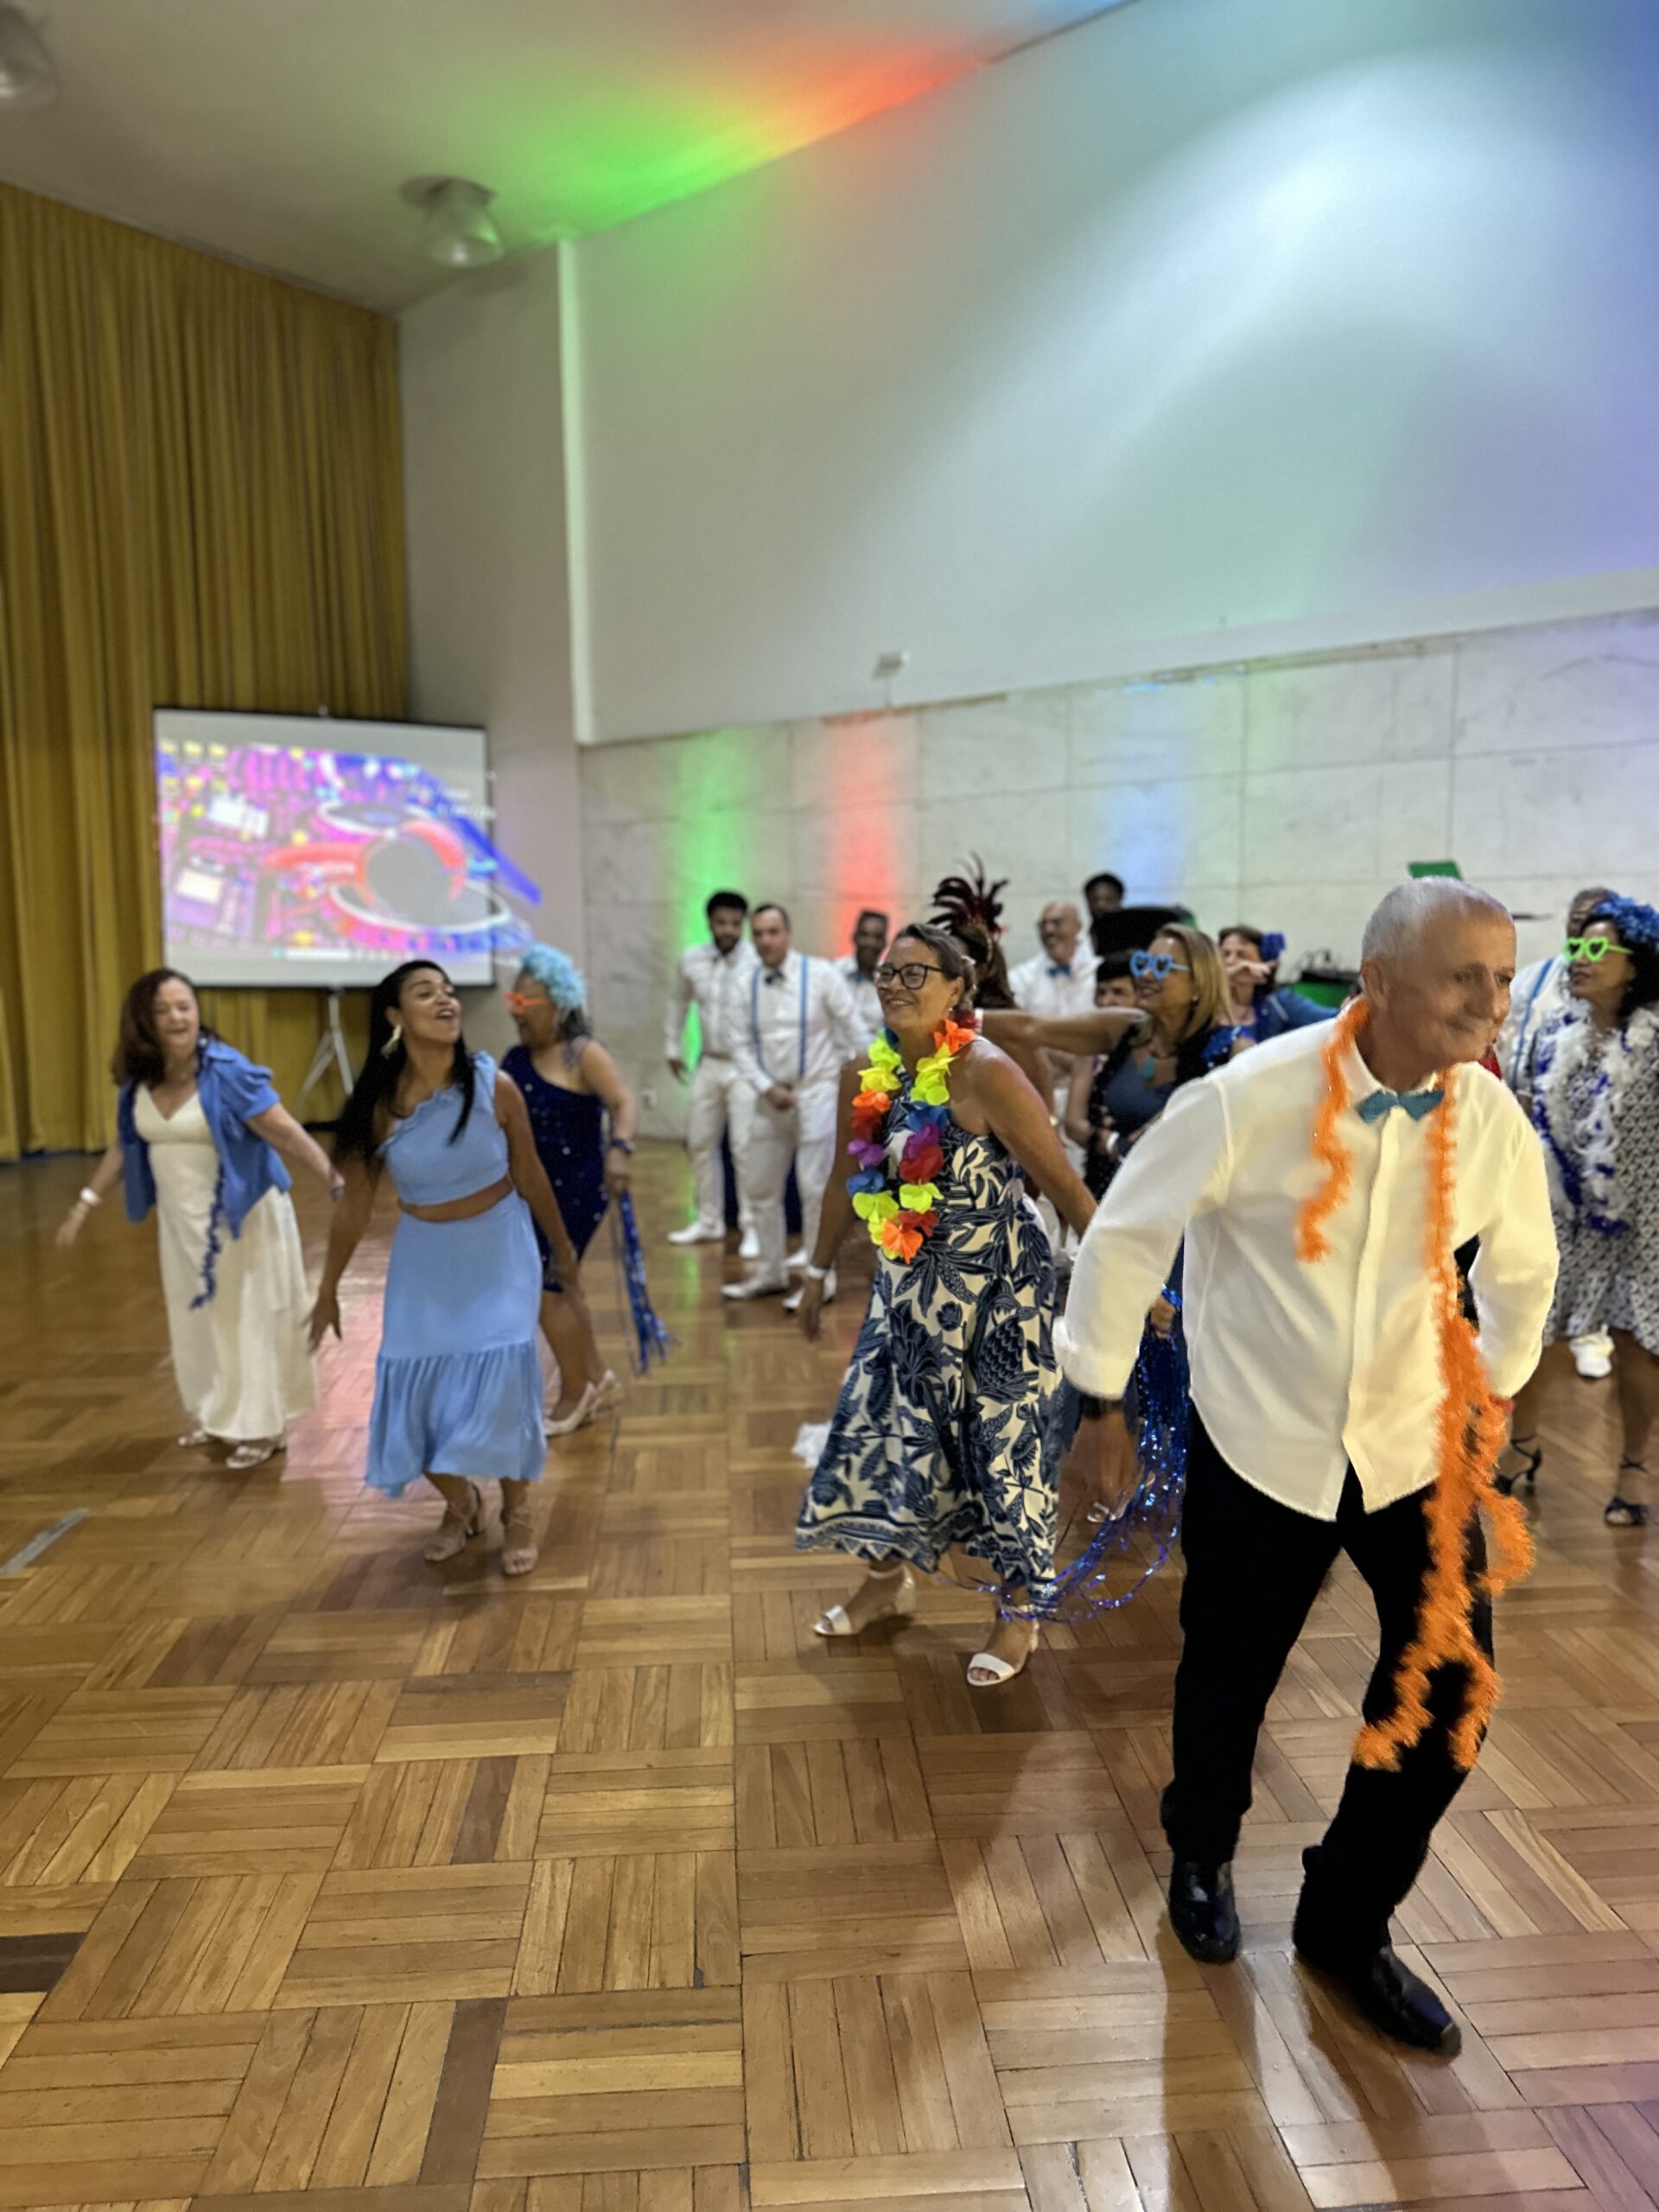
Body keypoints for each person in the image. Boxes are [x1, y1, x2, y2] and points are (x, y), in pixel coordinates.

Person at [1056, 880, 1557, 2054]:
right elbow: (1126, 1236)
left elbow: (1523, 1266)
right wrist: (1099, 1397)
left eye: (1502, 976)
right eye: (1464, 976)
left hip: (1413, 1447)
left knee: (1450, 1694)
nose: (1493, 1002)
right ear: (1378, 981)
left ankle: (1344, 1918)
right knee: (1229, 1672)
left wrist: (1493, 1383)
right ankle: (1202, 1848)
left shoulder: (1488, 1118)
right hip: (1262, 1442)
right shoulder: (1248, 1100)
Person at [794, 923, 1096, 1685]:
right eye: (887, 973)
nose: (896, 986)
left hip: (997, 1297)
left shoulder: (985, 1071)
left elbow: (1064, 1186)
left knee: (1002, 1450)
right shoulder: (866, 1072)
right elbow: (844, 1179)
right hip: (906, 1292)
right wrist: (816, 1269)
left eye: (915, 974)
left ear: (957, 988)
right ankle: (885, 1581)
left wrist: (1125, 1279)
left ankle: (1019, 1612)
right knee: (890, 1436)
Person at [309, 961, 582, 1579]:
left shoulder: (494, 1087)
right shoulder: (379, 1108)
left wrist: (562, 1251)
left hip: (499, 1246)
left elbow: (530, 1173)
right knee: (416, 1394)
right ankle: (462, 1503)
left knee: (503, 1374)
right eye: (426, 992)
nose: (446, 1000)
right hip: (426, 1257)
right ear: (394, 1017)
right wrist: (327, 1289)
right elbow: (354, 1207)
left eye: (450, 992)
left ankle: (518, 1510)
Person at [58, 968, 337, 1470]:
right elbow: (124, 1146)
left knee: (247, 1317)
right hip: (181, 1226)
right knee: (198, 1321)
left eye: (184, 1006)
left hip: (241, 1216)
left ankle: (262, 1426)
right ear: (143, 1022)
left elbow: (285, 1132)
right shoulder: (139, 1080)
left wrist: (333, 1181)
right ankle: (218, 1413)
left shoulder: (226, 1072)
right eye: (162, 1010)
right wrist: (85, 1203)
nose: (177, 1018)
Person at [1506, 894, 1659, 1526]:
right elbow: (1531, 1111)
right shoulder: (1555, 1031)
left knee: (1636, 1341)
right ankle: (1521, 1444)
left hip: (1643, 1222)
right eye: (1576, 946)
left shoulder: (1656, 1039)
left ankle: (1634, 1467)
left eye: (1598, 948)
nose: (1580, 958)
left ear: (1635, 964)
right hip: (1565, 1215)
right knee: (1536, 1328)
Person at [989, 923, 1243, 1187]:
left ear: (1199, 984)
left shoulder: (1233, 1049)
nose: (1145, 975)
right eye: (1143, 963)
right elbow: (1033, 1028)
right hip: (1110, 1194)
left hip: (1186, 1201)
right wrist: (966, 1018)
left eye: (1161, 966)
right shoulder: (1126, 1028)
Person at [503, 944, 630, 1437]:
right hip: (530, 1189)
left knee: (548, 1286)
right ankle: (596, 1373)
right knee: (564, 1282)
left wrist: (621, 1150)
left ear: (558, 1006)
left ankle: (575, 1394)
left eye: (526, 1004)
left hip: (576, 1187)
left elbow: (623, 1103)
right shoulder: (515, 1059)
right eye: (512, 1002)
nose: (516, 1013)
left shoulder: (583, 1054)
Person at [1498, 885, 1617, 1381]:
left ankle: (1591, 1333)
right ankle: (1527, 1328)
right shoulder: (1536, 979)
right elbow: (1505, 1039)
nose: (1581, 928)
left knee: (1595, 1233)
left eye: (1594, 921)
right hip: (1531, 1123)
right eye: (1576, 919)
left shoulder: (1627, 990)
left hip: (1598, 1134)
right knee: (1531, 1232)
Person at [726, 903, 862, 1311]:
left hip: (817, 1092)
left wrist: (874, 1079)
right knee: (759, 1186)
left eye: (773, 932)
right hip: (770, 1097)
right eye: (759, 933)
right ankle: (770, 1272)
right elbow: (738, 1045)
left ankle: (822, 1280)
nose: (766, 940)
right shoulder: (744, 984)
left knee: (814, 1189)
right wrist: (765, 1087)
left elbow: (853, 1026)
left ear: (787, 934)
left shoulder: (821, 974)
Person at [664, 890, 758, 1252]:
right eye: (721, 923)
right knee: (700, 1143)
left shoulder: (755, 960)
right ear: (710, 923)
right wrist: (672, 1047)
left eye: (735, 923)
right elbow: (678, 1001)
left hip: (744, 1066)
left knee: (744, 1148)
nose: (728, 930)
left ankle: (751, 1226)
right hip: (708, 1062)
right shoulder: (692, 959)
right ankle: (709, 1220)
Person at [1219, 925, 1333, 1043]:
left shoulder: (1277, 1002)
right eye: (1225, 954)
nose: (1230, 961)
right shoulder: (1210, 1001)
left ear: (1266, 963)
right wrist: (1222, 977)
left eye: (1242, 955)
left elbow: (1332, 1019)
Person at [1008, 901, 1099, 1024]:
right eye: (1043, 925)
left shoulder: (1098, 971)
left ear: (1078, 926)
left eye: (1057, 923)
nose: (1048, 930)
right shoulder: (1022, 977)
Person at [838, 909, 889, 1038]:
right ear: (855, 937)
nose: (870, 943)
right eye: (865, 935)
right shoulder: (835, 973)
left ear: (884, 943)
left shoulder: (890, 981)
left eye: (877, 937)